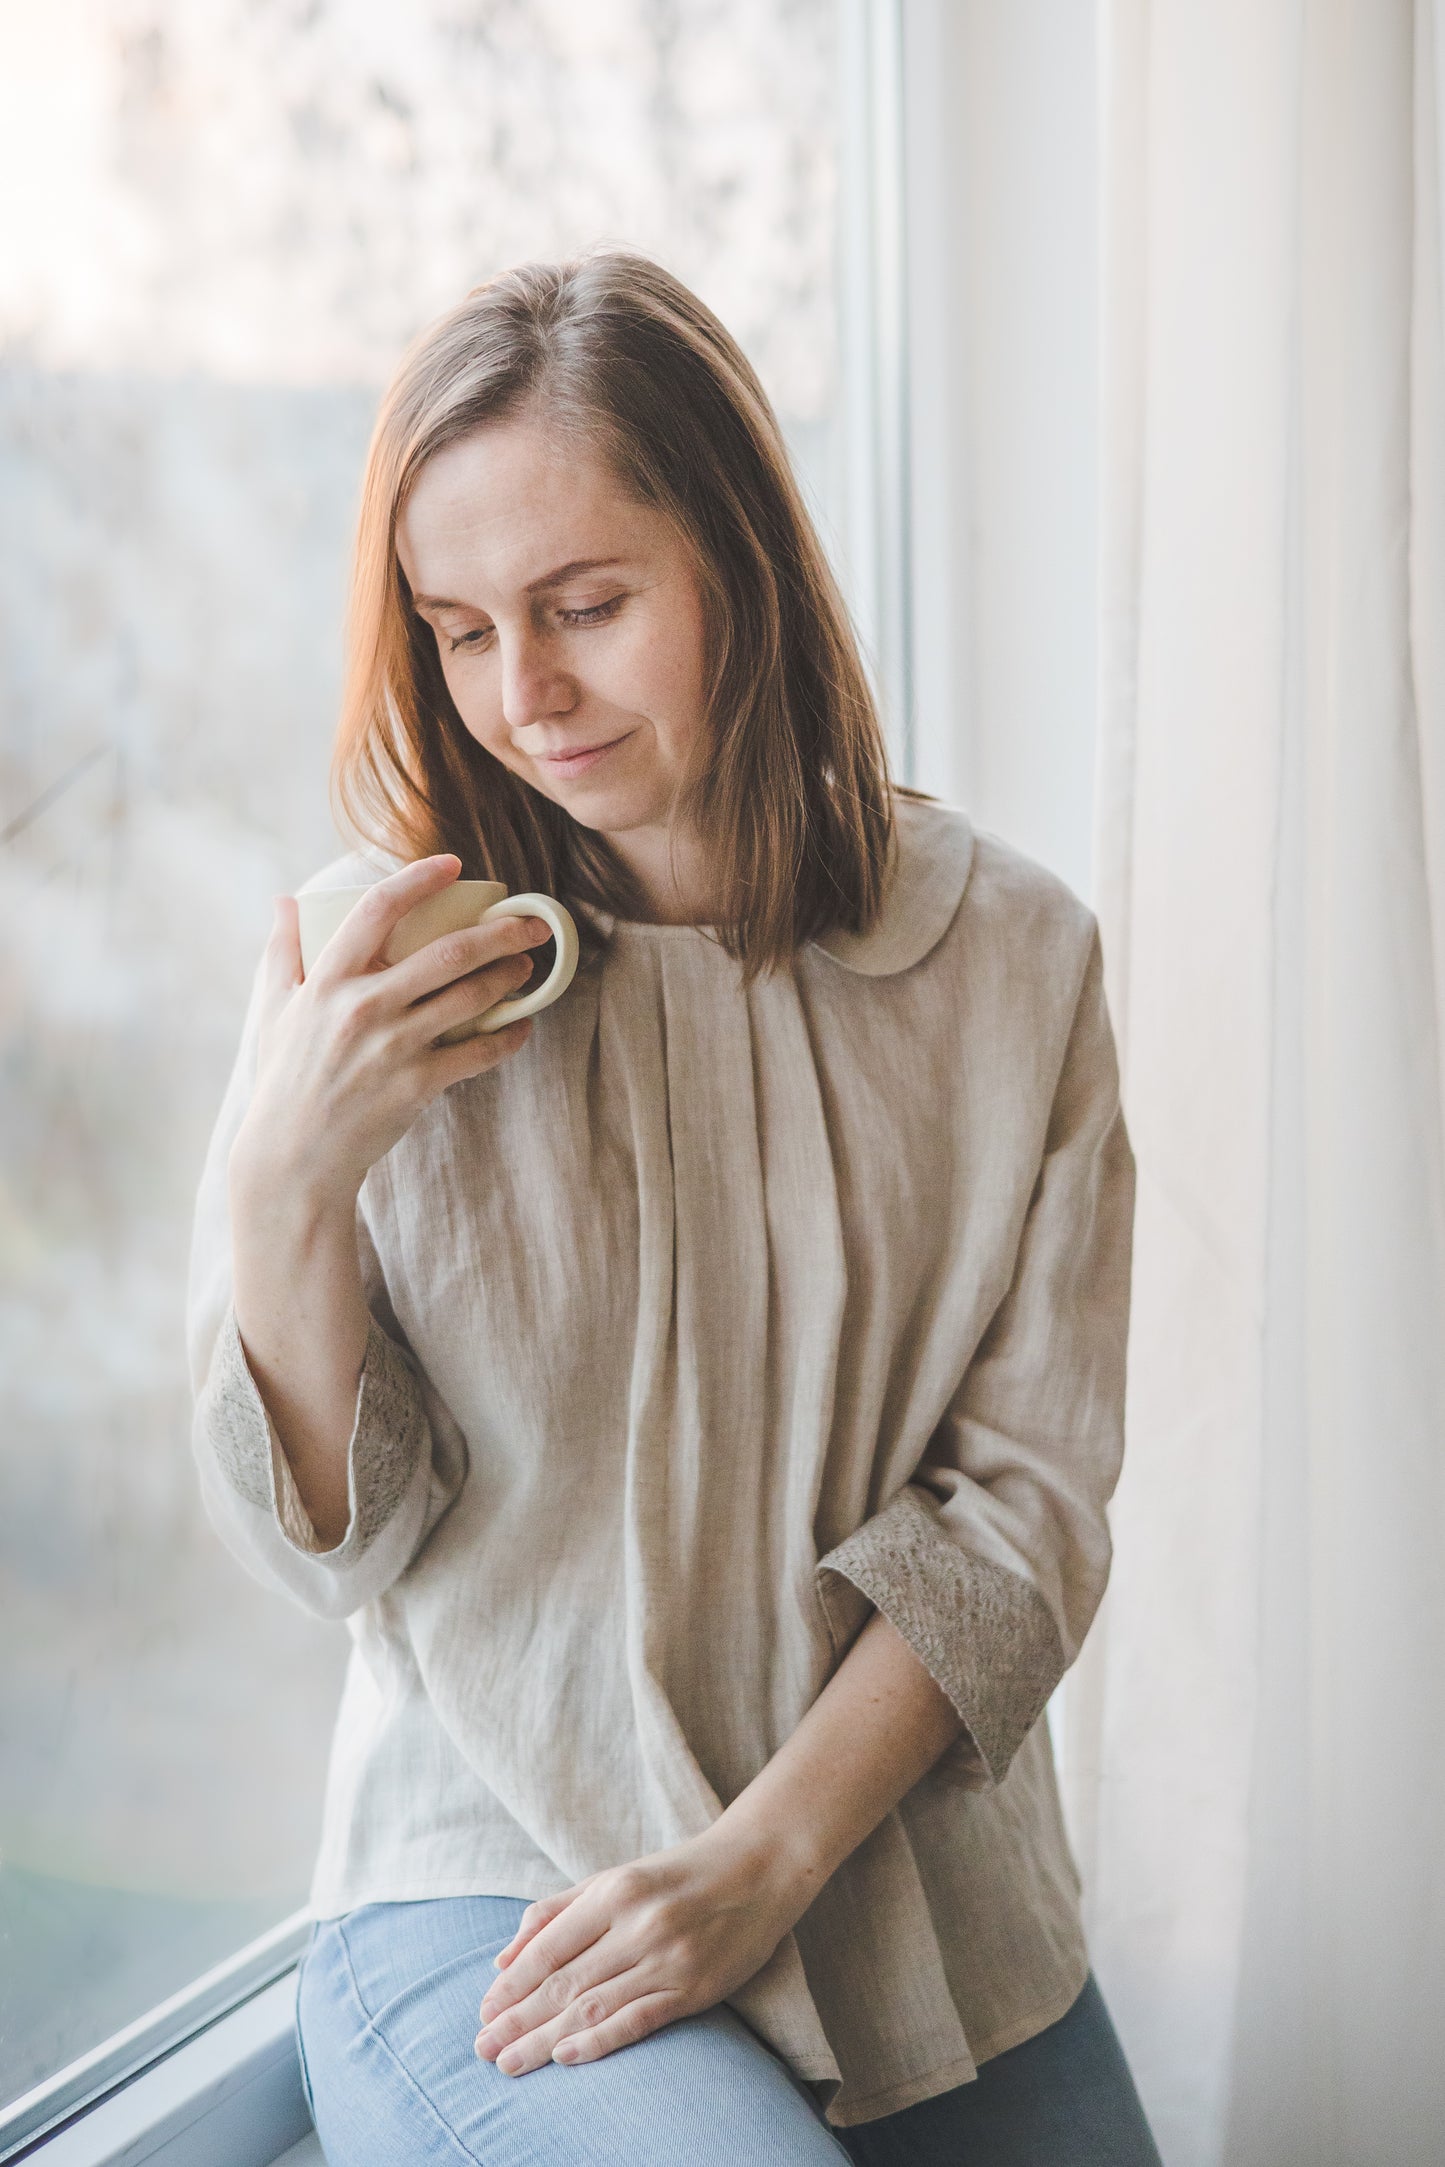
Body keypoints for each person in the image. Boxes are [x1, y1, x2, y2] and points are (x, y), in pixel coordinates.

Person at [186, 251, 1160, 2166]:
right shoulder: (372, 968)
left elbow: (1024, 1511)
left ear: (742, 561)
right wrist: (279, 1187)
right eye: (460, 630)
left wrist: (757, 1861)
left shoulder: (1013, 960)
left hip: (912, 1897)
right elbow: (321, 1555)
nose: (522, 696)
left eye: (586, 606)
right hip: (491, 1898)